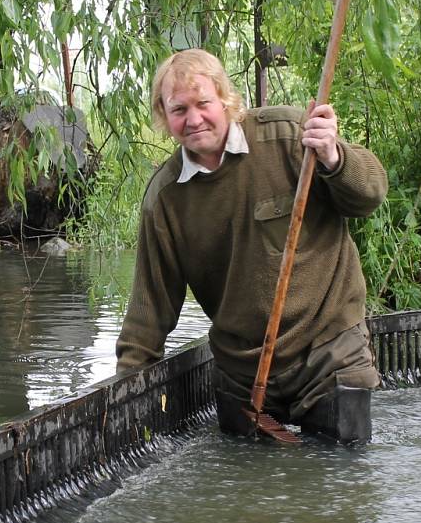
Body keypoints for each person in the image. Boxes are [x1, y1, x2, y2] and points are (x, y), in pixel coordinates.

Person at [115, 48, 387, 444]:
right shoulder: (165, 198)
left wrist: (333, 156)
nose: (193, 120)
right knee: (247, 495)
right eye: (179, 110)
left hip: (330, 352)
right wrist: (125, 396)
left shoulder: (289, 135)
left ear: (224, 98)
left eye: (203, 103)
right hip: (242, 373)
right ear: (163, 115)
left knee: (340, 486)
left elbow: (370, 196)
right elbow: (148, 312)